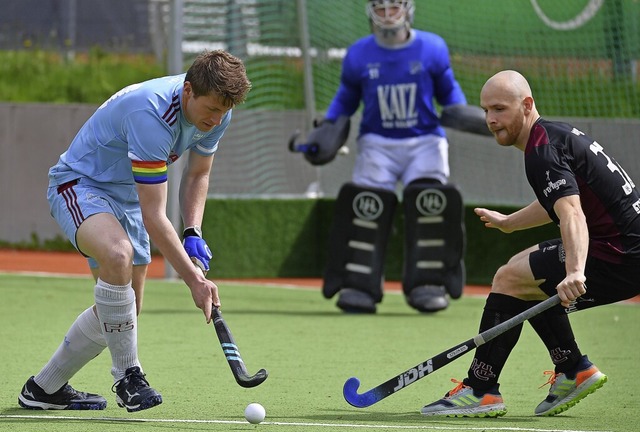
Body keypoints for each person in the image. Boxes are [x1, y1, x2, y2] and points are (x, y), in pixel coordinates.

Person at [18, 50, 252, 412]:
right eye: (211, 110)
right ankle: (129, 377)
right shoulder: (152, 114)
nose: (217, 119)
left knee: (125, 311)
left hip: (126, 195)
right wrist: (194, 280)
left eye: (223, 112)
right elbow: (155, 215)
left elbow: (197, 174)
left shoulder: (219, 111)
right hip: (81, 184)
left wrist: (193, 230)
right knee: (117, 254)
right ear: (188, 91)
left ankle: (43, 388)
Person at [421, 70, 640, 417]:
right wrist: (510, 223)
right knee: (520, 276)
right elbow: (564, 198)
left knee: (511, 279)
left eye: (499, 109)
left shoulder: (542, 150)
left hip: (619, 254)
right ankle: (572, 369)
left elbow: (572, 215)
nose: (491, 120)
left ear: (526, 105)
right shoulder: (549, 137)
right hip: (623, 248)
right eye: (486, 111)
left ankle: (481, 390)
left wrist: (574, 271)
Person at [313, 0, 487, 314]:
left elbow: (451, 99)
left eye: (394, 7)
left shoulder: (433, 48)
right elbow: (345, 100)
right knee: (367, 207)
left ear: (408, 9)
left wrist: (484, 121)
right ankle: (358, 285)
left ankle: (428, 284)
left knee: (428, 205)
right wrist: (326, 128)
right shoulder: (358, 54)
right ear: (370, 12)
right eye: (380, 8)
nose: (388, 15)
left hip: (424, 142)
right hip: (377, 142)